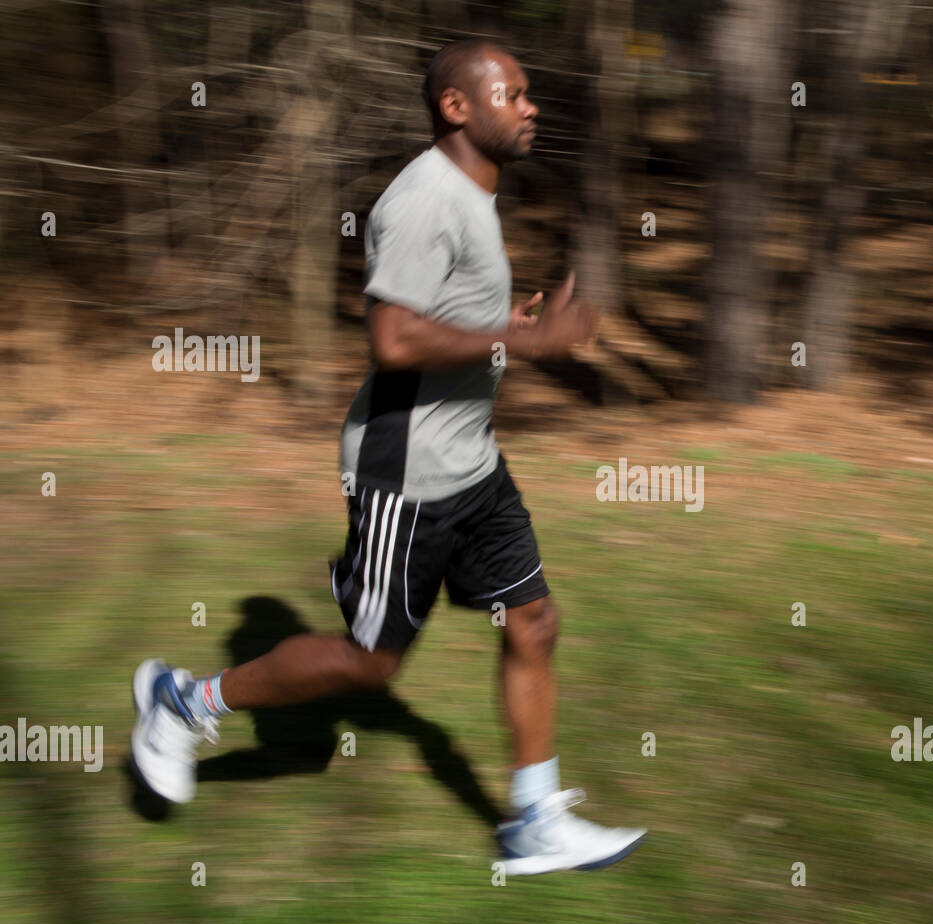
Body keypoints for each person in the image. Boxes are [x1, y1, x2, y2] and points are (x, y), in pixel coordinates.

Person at [131, 39, 645, 876]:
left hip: (473, 463)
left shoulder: (475, 194)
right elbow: (395, 336)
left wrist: (511, 326)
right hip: (407, 474)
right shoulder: (421, 199)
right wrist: (537, 341)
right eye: (512, 93)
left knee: (534, 621)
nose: (531, 106)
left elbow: (440, 312)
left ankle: (535, 819)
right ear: (457, 107)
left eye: (529, 94)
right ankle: (183, 700)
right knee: (368, 664)